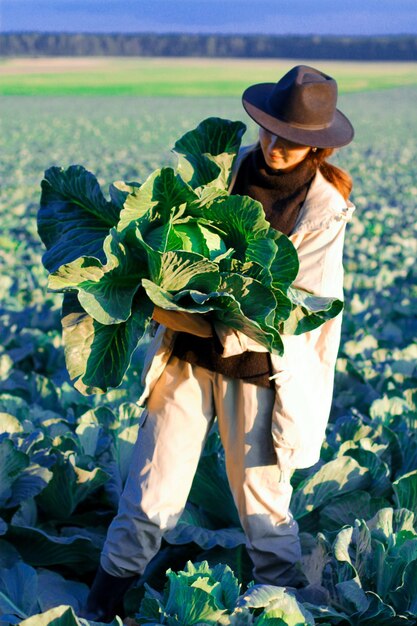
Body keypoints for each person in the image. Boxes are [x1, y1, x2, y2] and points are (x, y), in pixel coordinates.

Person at [82, 65, 355, 621]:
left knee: (263, 509)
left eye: (295, 138)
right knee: (149, 492)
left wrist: (185, 317)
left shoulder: (325, 209)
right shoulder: (218, 170)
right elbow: (162, 235)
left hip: (259, 371)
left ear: (316, 146)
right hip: (184, 362)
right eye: (272, 131)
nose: (277, 145)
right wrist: (154, 293)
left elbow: (296, 309)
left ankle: (282, 609)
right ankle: (99, 606)